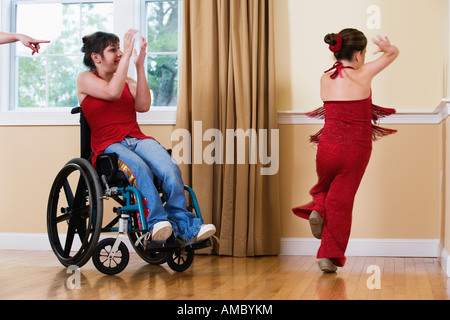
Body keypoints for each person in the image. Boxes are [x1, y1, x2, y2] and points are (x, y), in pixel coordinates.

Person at [76, 29, 216, 244]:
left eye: (120, 49)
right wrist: (129, 53)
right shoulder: (85, 79)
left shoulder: (127, 81)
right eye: (113, 50)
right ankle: (157, 222)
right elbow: (111, 92)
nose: (121, 54)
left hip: (137, 139)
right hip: (109, 146)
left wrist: (140, 66)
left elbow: (143, 106)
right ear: (96, 57)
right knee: (139, 168)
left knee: (169, 167)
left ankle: (186, 225)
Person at [292, 28, 399, 273]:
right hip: (355, 150)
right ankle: (327, 257)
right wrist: (387, 48)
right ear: (359, 54)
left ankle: (318, 208)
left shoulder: (324, 79)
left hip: (327, 147)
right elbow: (393, 54)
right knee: (340, 204)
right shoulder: (364, 74)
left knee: (324, 188)